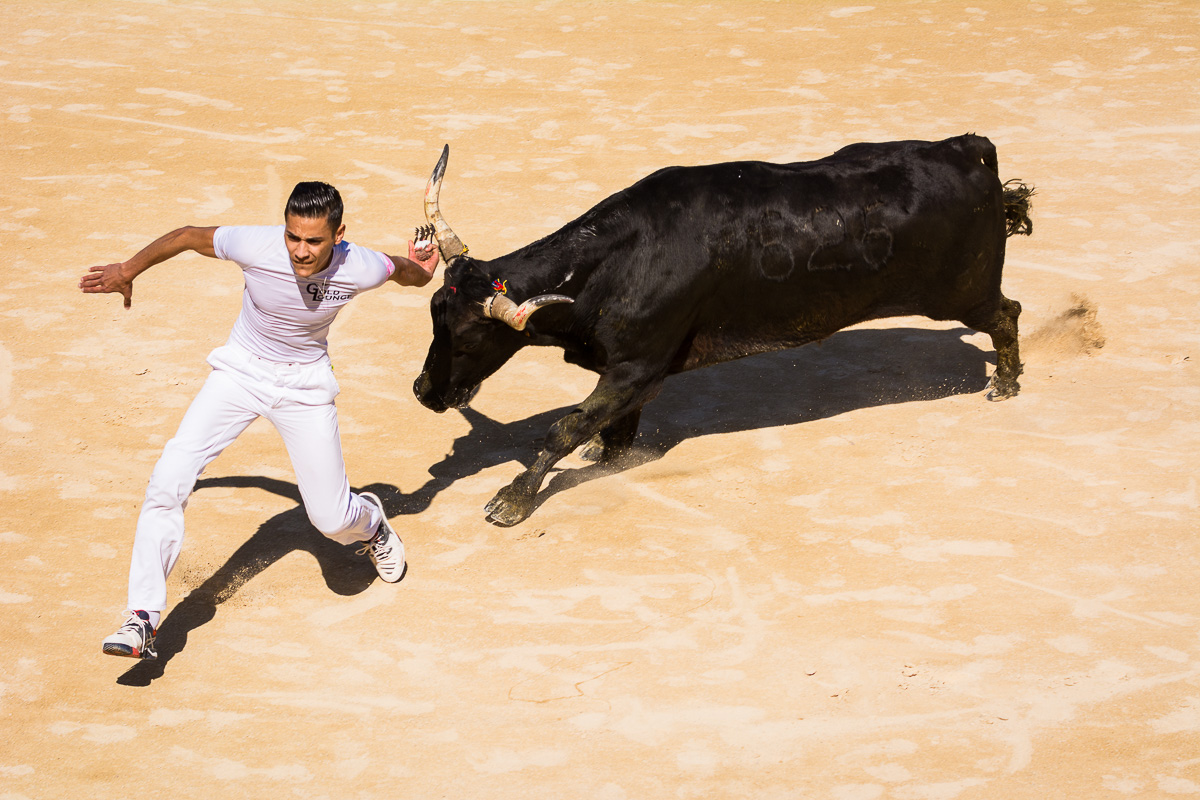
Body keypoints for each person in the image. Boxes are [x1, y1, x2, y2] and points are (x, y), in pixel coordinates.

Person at [79, 181, 439, 660]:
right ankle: (141, 618)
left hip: (305, 387)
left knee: (331, 519)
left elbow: (404, 271)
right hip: (241, 372)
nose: (301, 251)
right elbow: (187, 235)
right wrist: (127, 270)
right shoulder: (255, 245)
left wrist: (425, 267)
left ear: (339, 235)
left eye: (314, 241)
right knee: (169, 478)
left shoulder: (360, 265)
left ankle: (371, 522)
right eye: (293, 237)